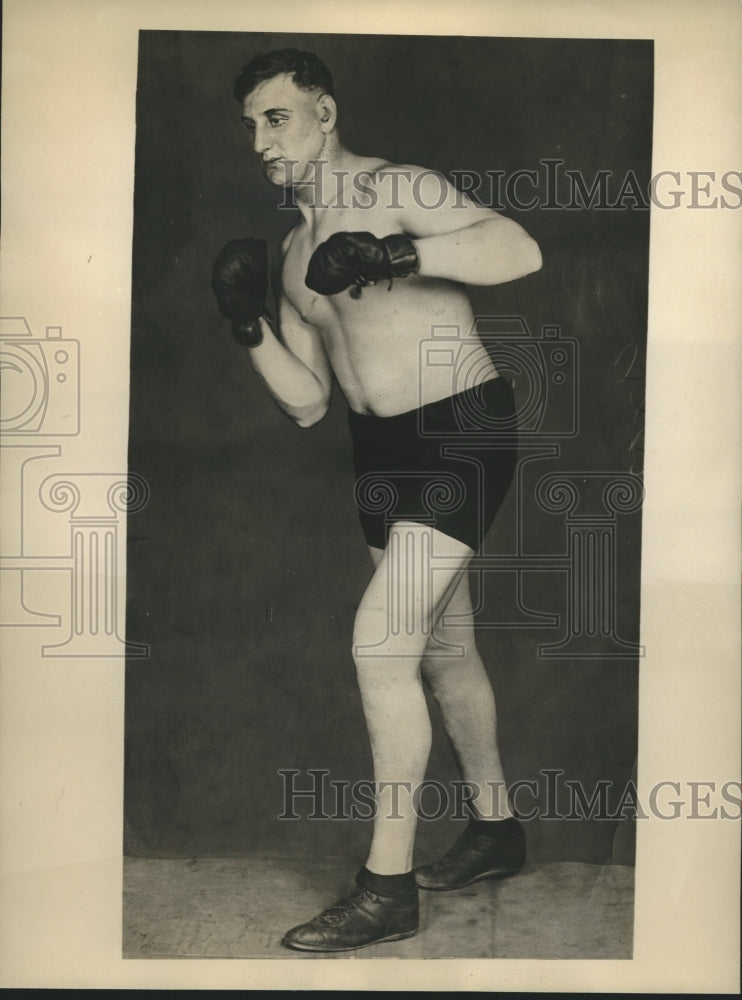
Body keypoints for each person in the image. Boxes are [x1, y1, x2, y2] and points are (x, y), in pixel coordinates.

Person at [211, 49, 542, 953]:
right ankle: (496, 828)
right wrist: (248, 327)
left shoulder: (397, 186)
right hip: (380, 452)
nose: (261, 142)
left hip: (462, 425)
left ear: (323, 111)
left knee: (377, 646)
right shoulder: (290, 257)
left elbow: (519, 246)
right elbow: (311, 401)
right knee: (442, 648)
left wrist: (401, 249)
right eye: (250, 126)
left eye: (276, 118)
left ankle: (385, 887)